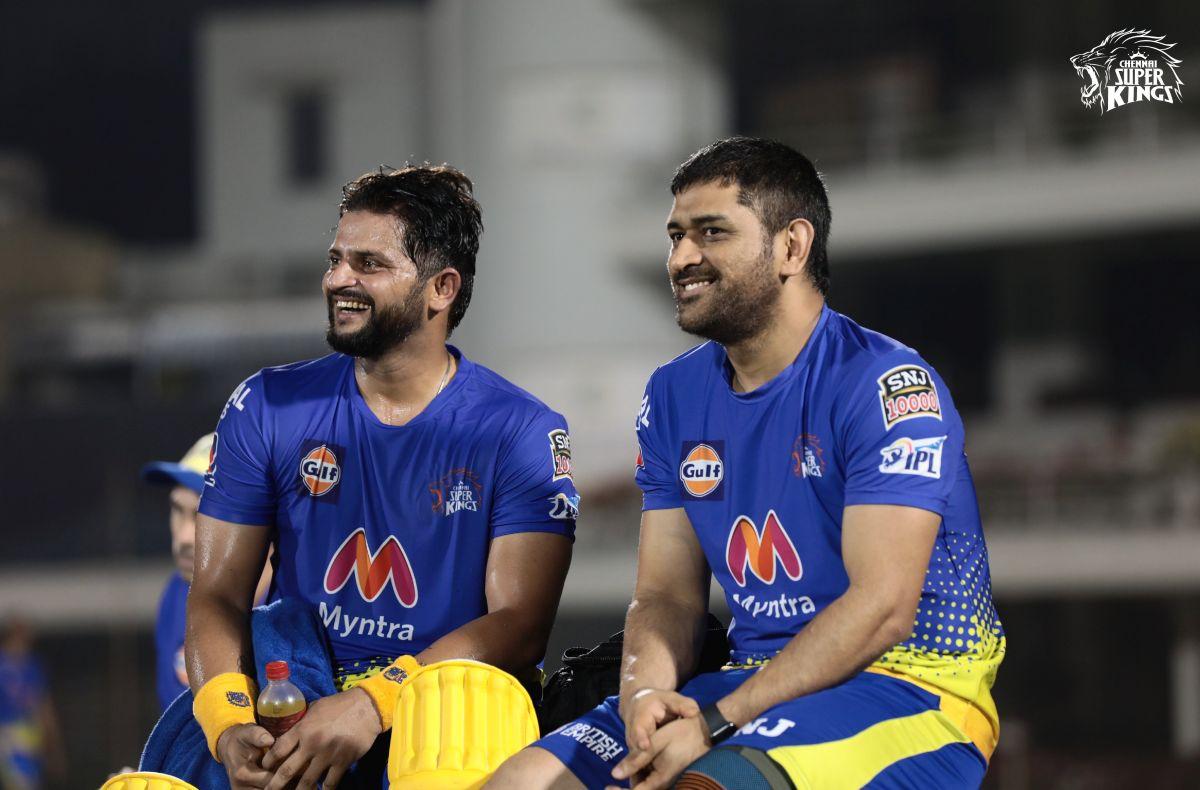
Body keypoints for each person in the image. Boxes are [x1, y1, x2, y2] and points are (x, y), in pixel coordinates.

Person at [489, 137, 1006, 789]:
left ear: (792, 246)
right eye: (675, 235)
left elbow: (883, 607)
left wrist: (715, 723)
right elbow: (666, 594)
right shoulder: (674, 394)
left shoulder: (885, 384)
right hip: (743, 683)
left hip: (909, 688)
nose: (681, 259)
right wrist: (646, 696)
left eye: (711, 233)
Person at [187, 164, 577, 789]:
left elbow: (520, 625)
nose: (337, 279)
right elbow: (217, 594)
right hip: (298, 702)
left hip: (444, 712)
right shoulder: (265, 404)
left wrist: (375, 702)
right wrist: (228, 725)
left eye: (369, 264)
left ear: (441, 288)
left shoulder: (520, 429)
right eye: (336, 258)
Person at [142, 434, 273, 711]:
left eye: (203, 513)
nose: (184, 538)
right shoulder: (177, 593)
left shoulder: (303, 608)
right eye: (177, 510)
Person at [0, 617, 65, 789]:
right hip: (7, 738)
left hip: (30, 740)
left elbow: (43, 706)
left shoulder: (33, 666)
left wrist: (53, 744)